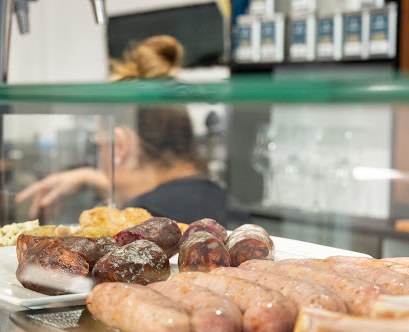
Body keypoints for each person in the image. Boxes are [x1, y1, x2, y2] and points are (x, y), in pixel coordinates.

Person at [16, 36, 241, 226]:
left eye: (101, 146)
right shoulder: (220, 199)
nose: (101, 161)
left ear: (120, 146)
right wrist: (93, 179)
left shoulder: (141, 227)